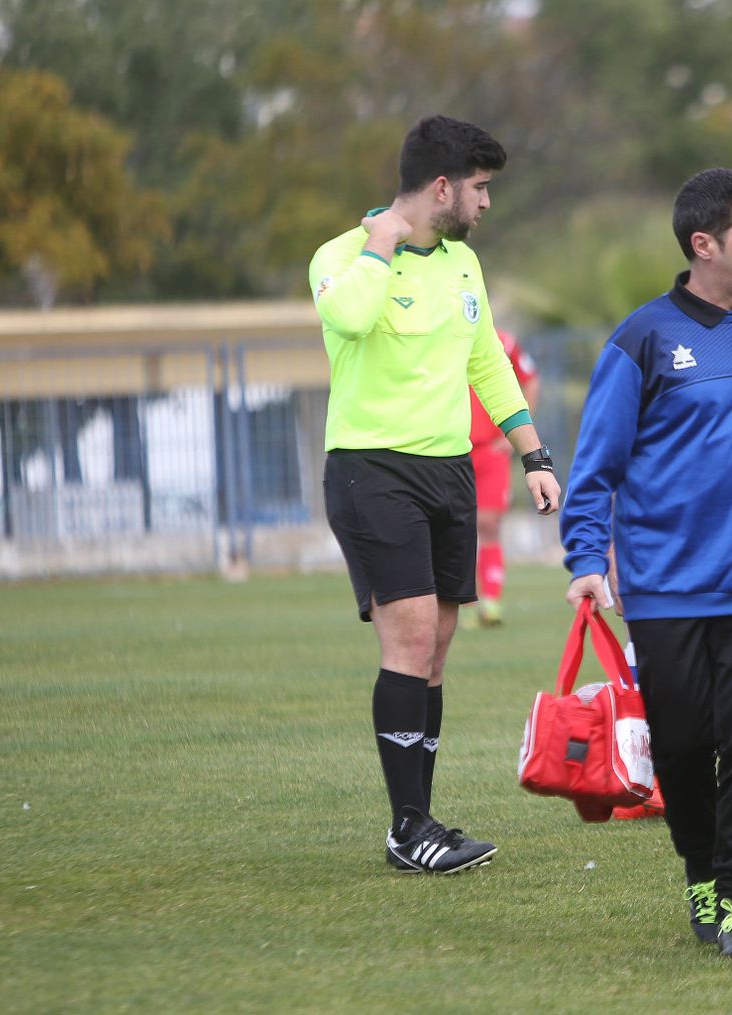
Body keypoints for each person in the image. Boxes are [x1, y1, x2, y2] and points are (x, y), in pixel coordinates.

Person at [560, 167, 732, 959]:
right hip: (664, 580)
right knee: (680, 746)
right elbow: (595, 464)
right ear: (704, 244)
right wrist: (585, 556)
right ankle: (700, 873)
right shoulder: (642, 338)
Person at [309, 115, 561, 874]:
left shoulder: (462, 266)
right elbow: (348, 316)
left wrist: (534, 455)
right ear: (442, 185)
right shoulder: (344, 255)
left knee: (440, 646)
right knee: (412, 635)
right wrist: (382, 242)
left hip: (449, 470)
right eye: (480, 188)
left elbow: (488, 364)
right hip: (370, 467)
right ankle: (409, 825)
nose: (486, 204)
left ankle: (415, 825)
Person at [461, 331, 540, 628]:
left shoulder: (503, 341)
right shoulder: (440, 330)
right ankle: (466, 603)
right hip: (452, 449)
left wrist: (516, 434)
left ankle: (491, 601)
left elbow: (531, 379)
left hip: (489, 450)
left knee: (489, 523)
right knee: (458, 526)